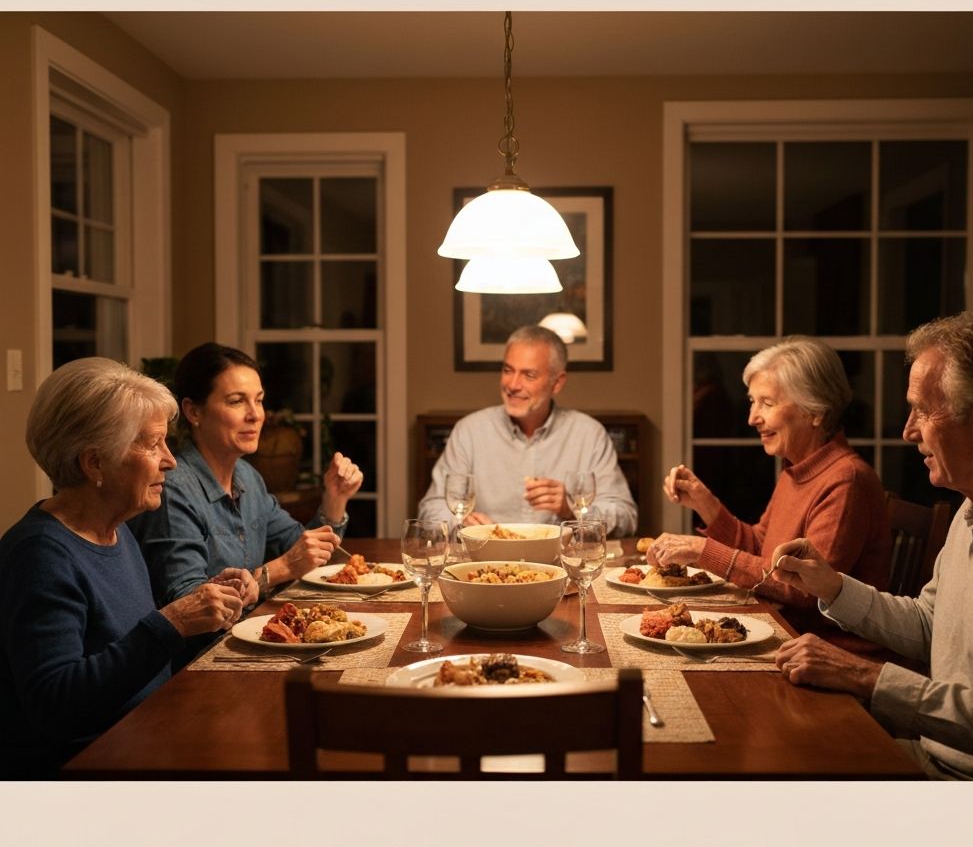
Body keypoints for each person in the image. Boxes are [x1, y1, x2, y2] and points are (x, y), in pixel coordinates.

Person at [770, 311, 973, 780]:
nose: (908, 431)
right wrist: (832, 586)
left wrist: (863, 676)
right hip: (928, 756)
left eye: (923, 410)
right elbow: (929, 624)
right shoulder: (972, 513)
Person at [0, 358, 245, 778]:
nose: (170, 461)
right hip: (84, 774)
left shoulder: (115, 531)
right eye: (152, 445)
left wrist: (206, 612)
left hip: (146, 736)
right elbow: (56, 705)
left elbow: (135, 658)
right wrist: (173, 622)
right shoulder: (39, 555)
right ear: (94, 463)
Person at [647, 336, 890, 650]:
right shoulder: (798, 468)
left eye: (767, 403)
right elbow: (761, 547)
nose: (752, 418)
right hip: (782, 630)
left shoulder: (847, 480)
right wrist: (707, 505)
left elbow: (804, 589)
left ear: (815, 411)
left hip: (822, 650)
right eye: (752, 401)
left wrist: (703, 551)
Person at [130, 342, 364, 609]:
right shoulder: (172, 489)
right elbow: (188, 605)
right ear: (193, 412)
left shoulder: (248, 477)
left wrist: (334, 499)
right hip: (211, 638)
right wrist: (277, 570)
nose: (255, 415)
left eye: (259, 400)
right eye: (236, 401)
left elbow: (306, 553)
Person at [417, 325, 638, 537]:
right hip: (486, 560)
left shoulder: (589, 435)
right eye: (507, 370)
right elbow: (431, 509)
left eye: (529, 375)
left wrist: (572, 509)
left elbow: (626, 517)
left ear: (557, 383)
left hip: (561, 559)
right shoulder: (469, 432)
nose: (513, 385)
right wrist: (461, 522)